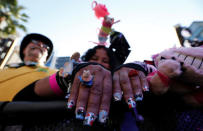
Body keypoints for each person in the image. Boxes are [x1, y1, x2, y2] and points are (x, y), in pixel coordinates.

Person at [0, 33, 57, 101]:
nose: (40, 45)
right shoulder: (4, 70)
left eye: (45, 46)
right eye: (35, 42)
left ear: (46, 57)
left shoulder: (57, 74)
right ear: (24, 50)